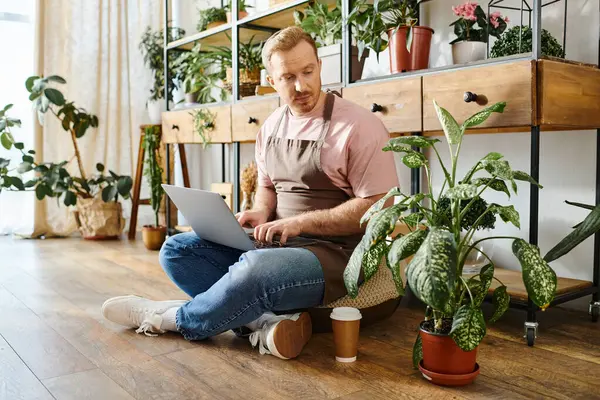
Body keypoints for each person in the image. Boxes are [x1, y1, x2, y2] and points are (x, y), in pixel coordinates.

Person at [102, 26, 399, 360]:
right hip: (276, 241)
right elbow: (267, 187)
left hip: (336, 254)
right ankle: (266, 323)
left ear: (319, 65)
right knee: (176, 250)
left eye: (308, 72)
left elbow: (378, 207)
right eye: (288, 77)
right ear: (271, 80)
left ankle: (168, 318)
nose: (301, 86)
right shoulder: (271, 127)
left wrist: (299, 224)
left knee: (254, 268)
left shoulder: (359, 126)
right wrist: (260, 211)